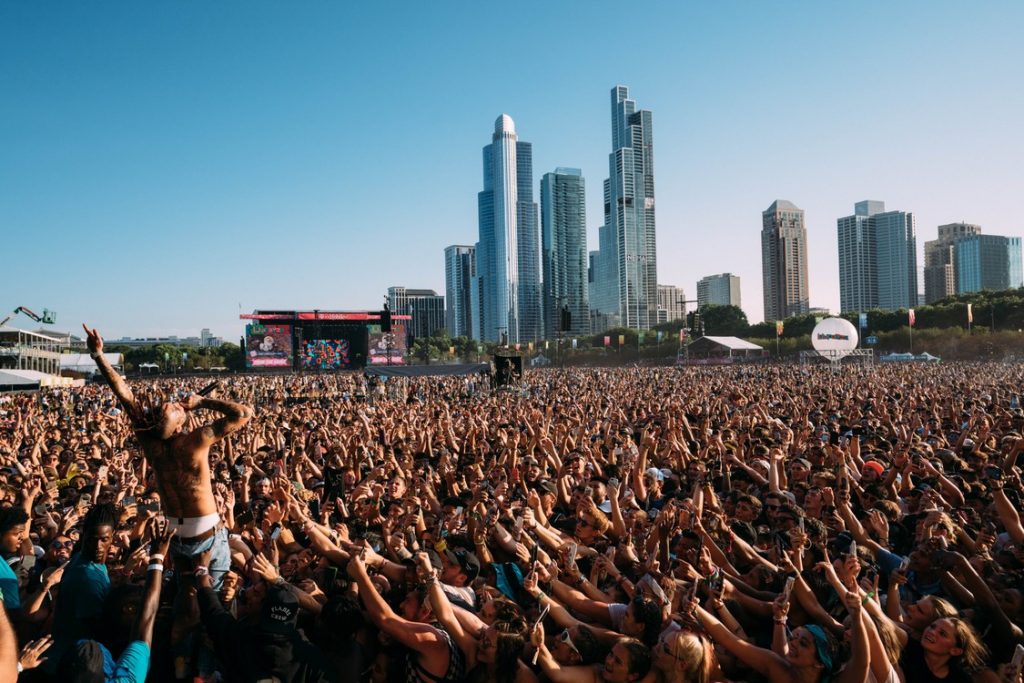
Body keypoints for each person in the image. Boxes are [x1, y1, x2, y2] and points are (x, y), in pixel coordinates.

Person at [84, 324, 253, 587]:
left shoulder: (151, 443)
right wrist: (202, 402)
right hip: (195, 538)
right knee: (211, 604)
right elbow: (243, 414)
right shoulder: (195, 441)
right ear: (173, 423)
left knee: (188, 605)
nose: (175, 404)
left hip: (181, 537)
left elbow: (124, 394)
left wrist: (98, 356)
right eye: (171, 408)